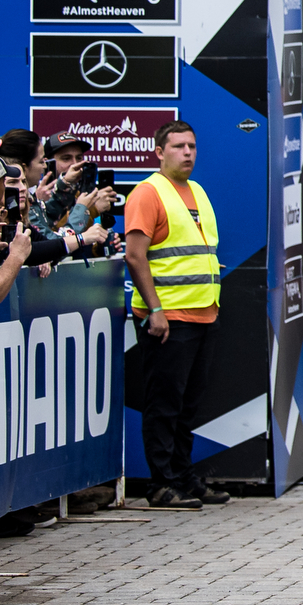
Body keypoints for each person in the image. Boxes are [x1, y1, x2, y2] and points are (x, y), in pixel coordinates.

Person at [123, 122, 229, 510]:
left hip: (203, 313)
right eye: (179, 146)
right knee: (164, 402)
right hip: (168, 318)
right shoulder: (148, 194)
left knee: (188, 404)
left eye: (192, 146)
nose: (187, 153)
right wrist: (155, 310)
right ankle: (161, 483)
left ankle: (184, 476)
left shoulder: (196, 191)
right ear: (159, 151)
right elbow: (135, 256)